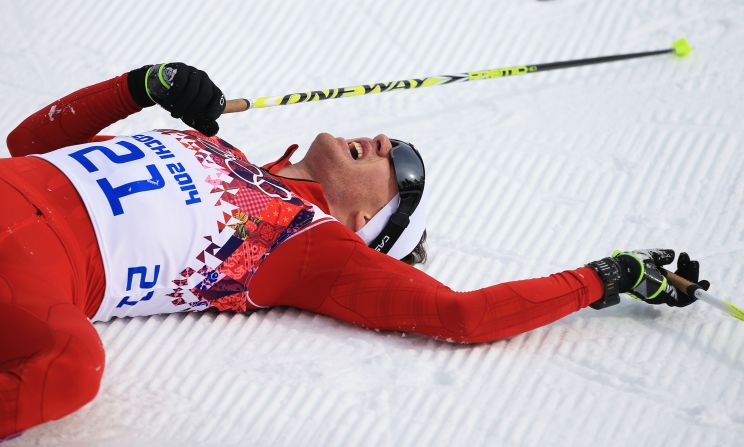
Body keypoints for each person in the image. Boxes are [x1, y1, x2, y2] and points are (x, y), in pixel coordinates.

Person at [0, 63, 709, 440]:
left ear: (369, 219)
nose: (386, 141)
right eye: (396, 143)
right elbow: (30, 143)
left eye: (402, 167)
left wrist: (604, 275)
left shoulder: (310, 245)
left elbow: (461, 315)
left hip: (35, 278)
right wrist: (140, 85)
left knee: (74, 367)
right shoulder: (212, 144)